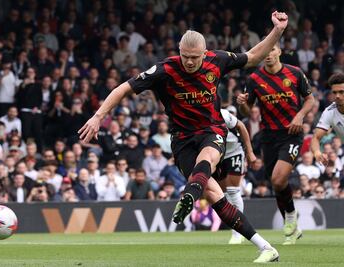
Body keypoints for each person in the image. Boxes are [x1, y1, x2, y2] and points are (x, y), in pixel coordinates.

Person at [79, 12, 289, 263]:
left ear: (204, 52)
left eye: (194, 57)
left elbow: (254, 56)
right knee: (213, 196)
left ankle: (189, 194)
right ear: (179, 51)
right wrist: (98, 116)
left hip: (212, 130)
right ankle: (266, 247)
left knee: (208, 159)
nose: (189, 62)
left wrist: (277, 31)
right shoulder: (164, 69)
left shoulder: (218, 60)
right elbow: (123, 88)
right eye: (185, 56)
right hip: (181, 139)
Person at [237, 43, 314, 245]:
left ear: (279, 51)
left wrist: (299, 116)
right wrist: (243, 103)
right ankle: (292, 230)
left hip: (291, 133)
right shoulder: (254, 79)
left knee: (279, 179)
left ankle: (290, 217)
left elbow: (310, 100)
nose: (269, 54)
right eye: (266, 51)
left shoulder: (295, 73)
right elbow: (247, 111)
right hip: (268, 137)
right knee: (275, 183)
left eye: (272, 50)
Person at [218, 108, 257, 244]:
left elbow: (241, 126)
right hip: (217, 154)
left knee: (233, 191)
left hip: (234, 151)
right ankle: (235, 228)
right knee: (222, 194)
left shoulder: (222, 113)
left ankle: (237, 233)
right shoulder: (198, 117)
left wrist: (250, 152)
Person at [312, 73, 344, 166]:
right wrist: (317, 153)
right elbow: (316, 138)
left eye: (342, 92)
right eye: (334, 92)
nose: (337, 96)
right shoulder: (329, 112)